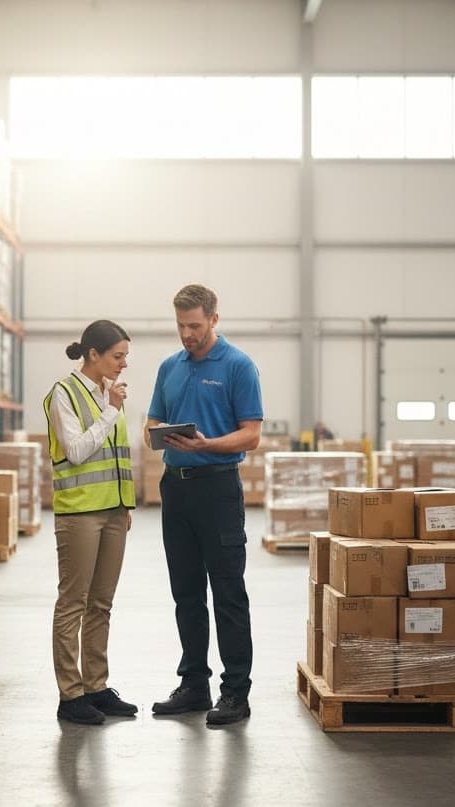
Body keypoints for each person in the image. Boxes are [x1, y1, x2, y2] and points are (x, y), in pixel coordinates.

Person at [145, 284, 263, 726]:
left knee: (228, 593)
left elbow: (252, 434)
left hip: (218, 488)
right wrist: (157, 435)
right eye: (180, 326)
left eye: (194, 325)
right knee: (186, 593)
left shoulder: (238, 366)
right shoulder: (169, 367)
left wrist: (208, 444)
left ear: (214, 319)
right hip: (175, 490)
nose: (187, 334)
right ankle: (194, 685)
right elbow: (152, 421)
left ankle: (235, 693)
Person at [43, 320, 137, 725]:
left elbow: (116, 453)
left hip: (114, 511)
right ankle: (71, 695)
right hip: (79, 513)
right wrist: (111, 410)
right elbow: (78, 451)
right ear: (93, 354)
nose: (123, 364)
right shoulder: (63, 394)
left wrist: (125, 504)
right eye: (118, 356)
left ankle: (96, 686)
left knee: (101, 603)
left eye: (126, 356)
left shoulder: (108, 392)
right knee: (73, 603)